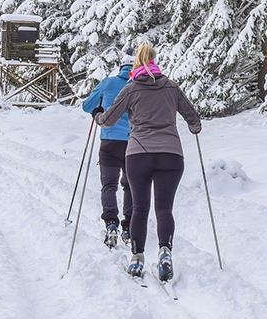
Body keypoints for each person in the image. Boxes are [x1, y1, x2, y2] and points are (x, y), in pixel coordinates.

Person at [92, 43, 201, 281]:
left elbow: (109, 119)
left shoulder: (131, 89)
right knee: (164, 209)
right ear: (154, 61)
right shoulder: (172, 87)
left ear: (137, 63)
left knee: (140, 208)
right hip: (171, 155)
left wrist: (98, 116)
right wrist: (194, 127)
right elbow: (193, 117)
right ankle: (164, 252)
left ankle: (137, 259)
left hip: (138, 154)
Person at [82, 51, 135, 248]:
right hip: (133, 143)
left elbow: (87, 105)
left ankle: (111, 223)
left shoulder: (109, 82)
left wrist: (98, 111)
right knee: (130, 186)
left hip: (109, 142)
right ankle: (128, 227)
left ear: (121, 67)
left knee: (109, 185)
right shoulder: (139, 85)